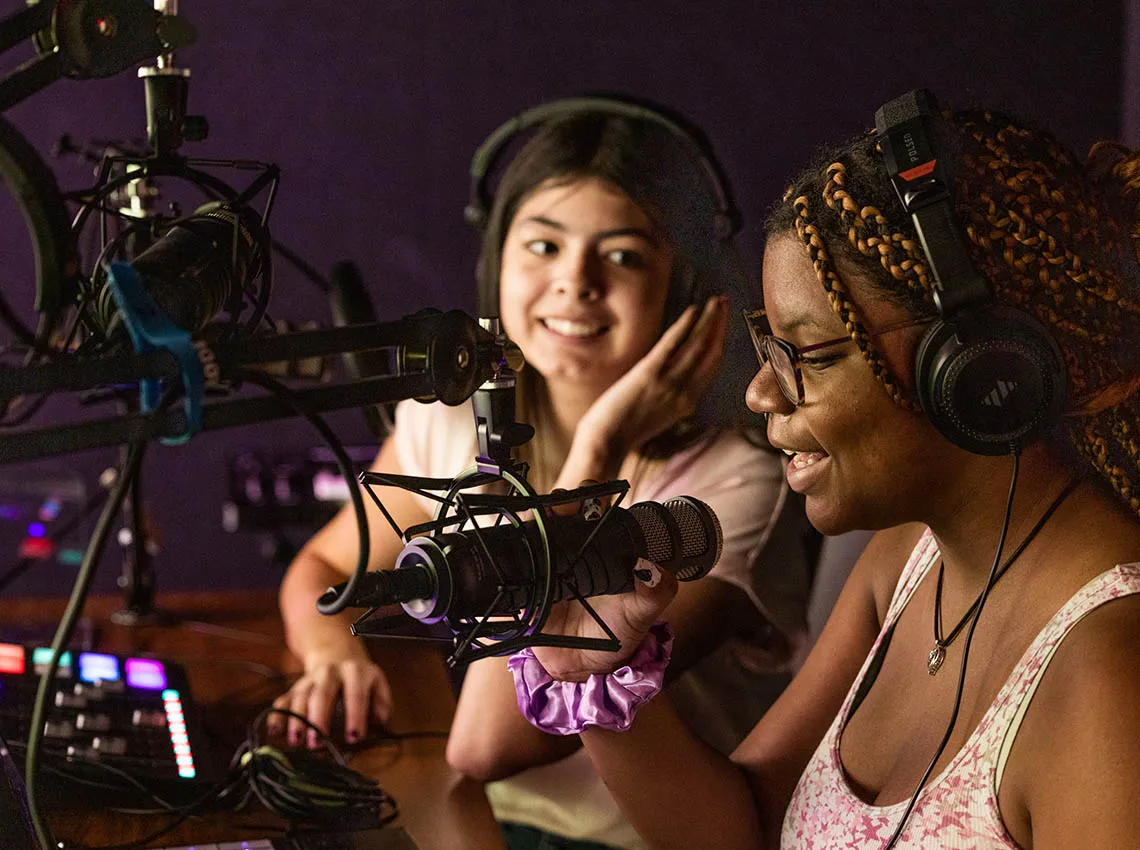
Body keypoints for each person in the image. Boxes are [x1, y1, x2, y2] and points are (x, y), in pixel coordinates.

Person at [517, 92, 1140, 849]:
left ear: (979, 368)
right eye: (768, 347)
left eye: (808, 355)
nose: (760, 392)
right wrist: (595, 674)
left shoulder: (1109, 672)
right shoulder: (905, 562)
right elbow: (739, 829)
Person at [272, 100, 814, 850]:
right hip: (487, 821)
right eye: (543, 246)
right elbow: (325, 567)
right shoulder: (449, 420)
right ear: (498, 262)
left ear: (681, 291)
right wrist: (334, 653)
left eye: (623, 255)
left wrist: (597, 446)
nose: (576, 281)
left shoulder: (729, 485)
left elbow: (489, 742)